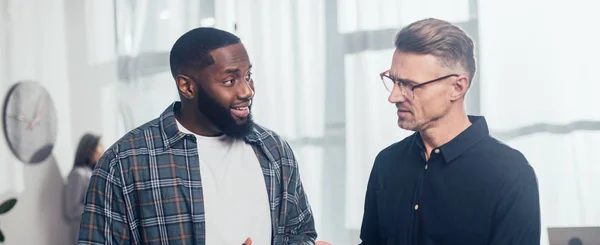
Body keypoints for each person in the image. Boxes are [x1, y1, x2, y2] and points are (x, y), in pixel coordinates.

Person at [78, 27, 317, 245]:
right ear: (187, 87)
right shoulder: (124, 163)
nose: (247, 90)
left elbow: (301, 232)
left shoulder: (275, 151)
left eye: (248, 76)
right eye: (230, 80)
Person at [359, 18, 541, 245]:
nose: (393, 96)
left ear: (457, 87)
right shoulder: (387, 163)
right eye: (394, 81)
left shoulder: (510, 173)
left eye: (409, 85)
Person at [63, 133, 104, 244]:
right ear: (90, 150)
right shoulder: (78, 174)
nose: (103, 150)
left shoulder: (93, 174)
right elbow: (72, 210)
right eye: (100, 146)